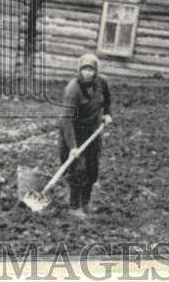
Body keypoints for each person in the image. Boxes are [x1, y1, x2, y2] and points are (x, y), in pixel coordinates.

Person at [58, 52, 112, 218]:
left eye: (91, 70)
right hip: (73, 132)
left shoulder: (102, 83)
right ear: (79, 71)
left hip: (93, 131)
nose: (88, 73)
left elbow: (107, 99)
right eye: (85, 70)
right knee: (77, 170)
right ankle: (74, 207)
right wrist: (73, 147)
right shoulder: (72, 90)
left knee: (92, 170)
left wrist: (107, 113)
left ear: (96, 71)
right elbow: (67, 120)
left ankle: (85, 203)